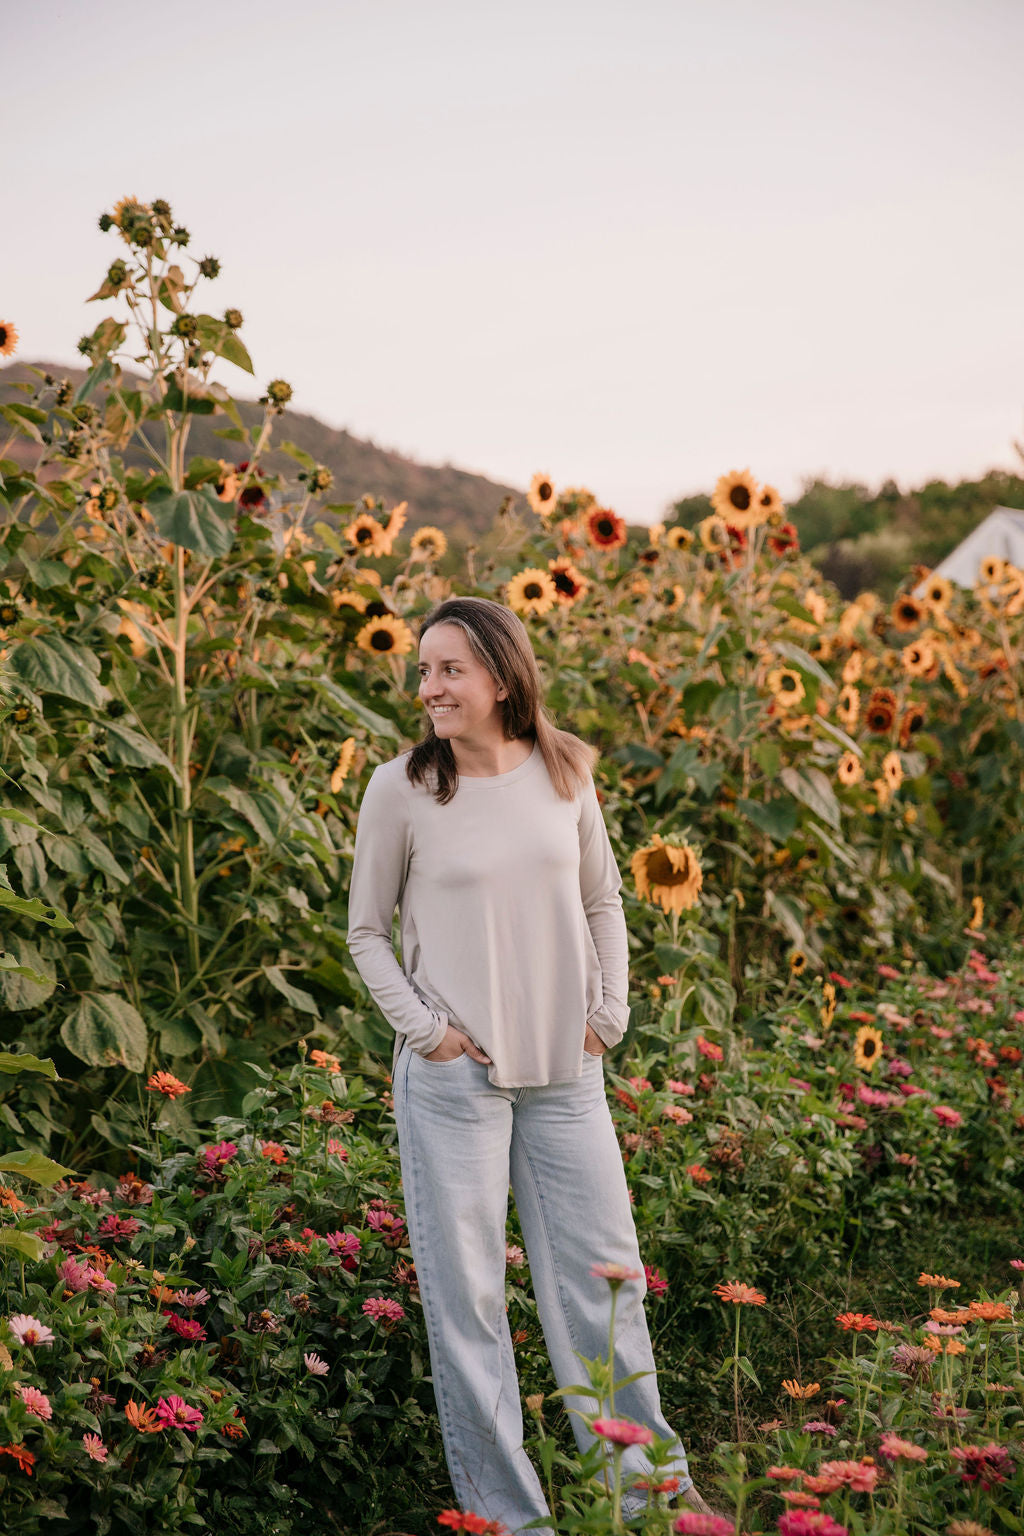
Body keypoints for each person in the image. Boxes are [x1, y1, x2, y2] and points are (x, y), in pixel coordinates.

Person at [346, 596, 711, 1530]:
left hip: (566, 1076)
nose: (428, 688)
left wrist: (608, 1016)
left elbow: (605, 902)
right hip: (455, 1081)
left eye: (448, 670)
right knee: (468, 1305)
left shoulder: (565, 771)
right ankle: (511, 1519)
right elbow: (366, 934)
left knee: (606, 1284)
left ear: (501, 677)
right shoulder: (402, 789)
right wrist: (429, 1033)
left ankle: (650, 1501)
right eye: (422, 671)